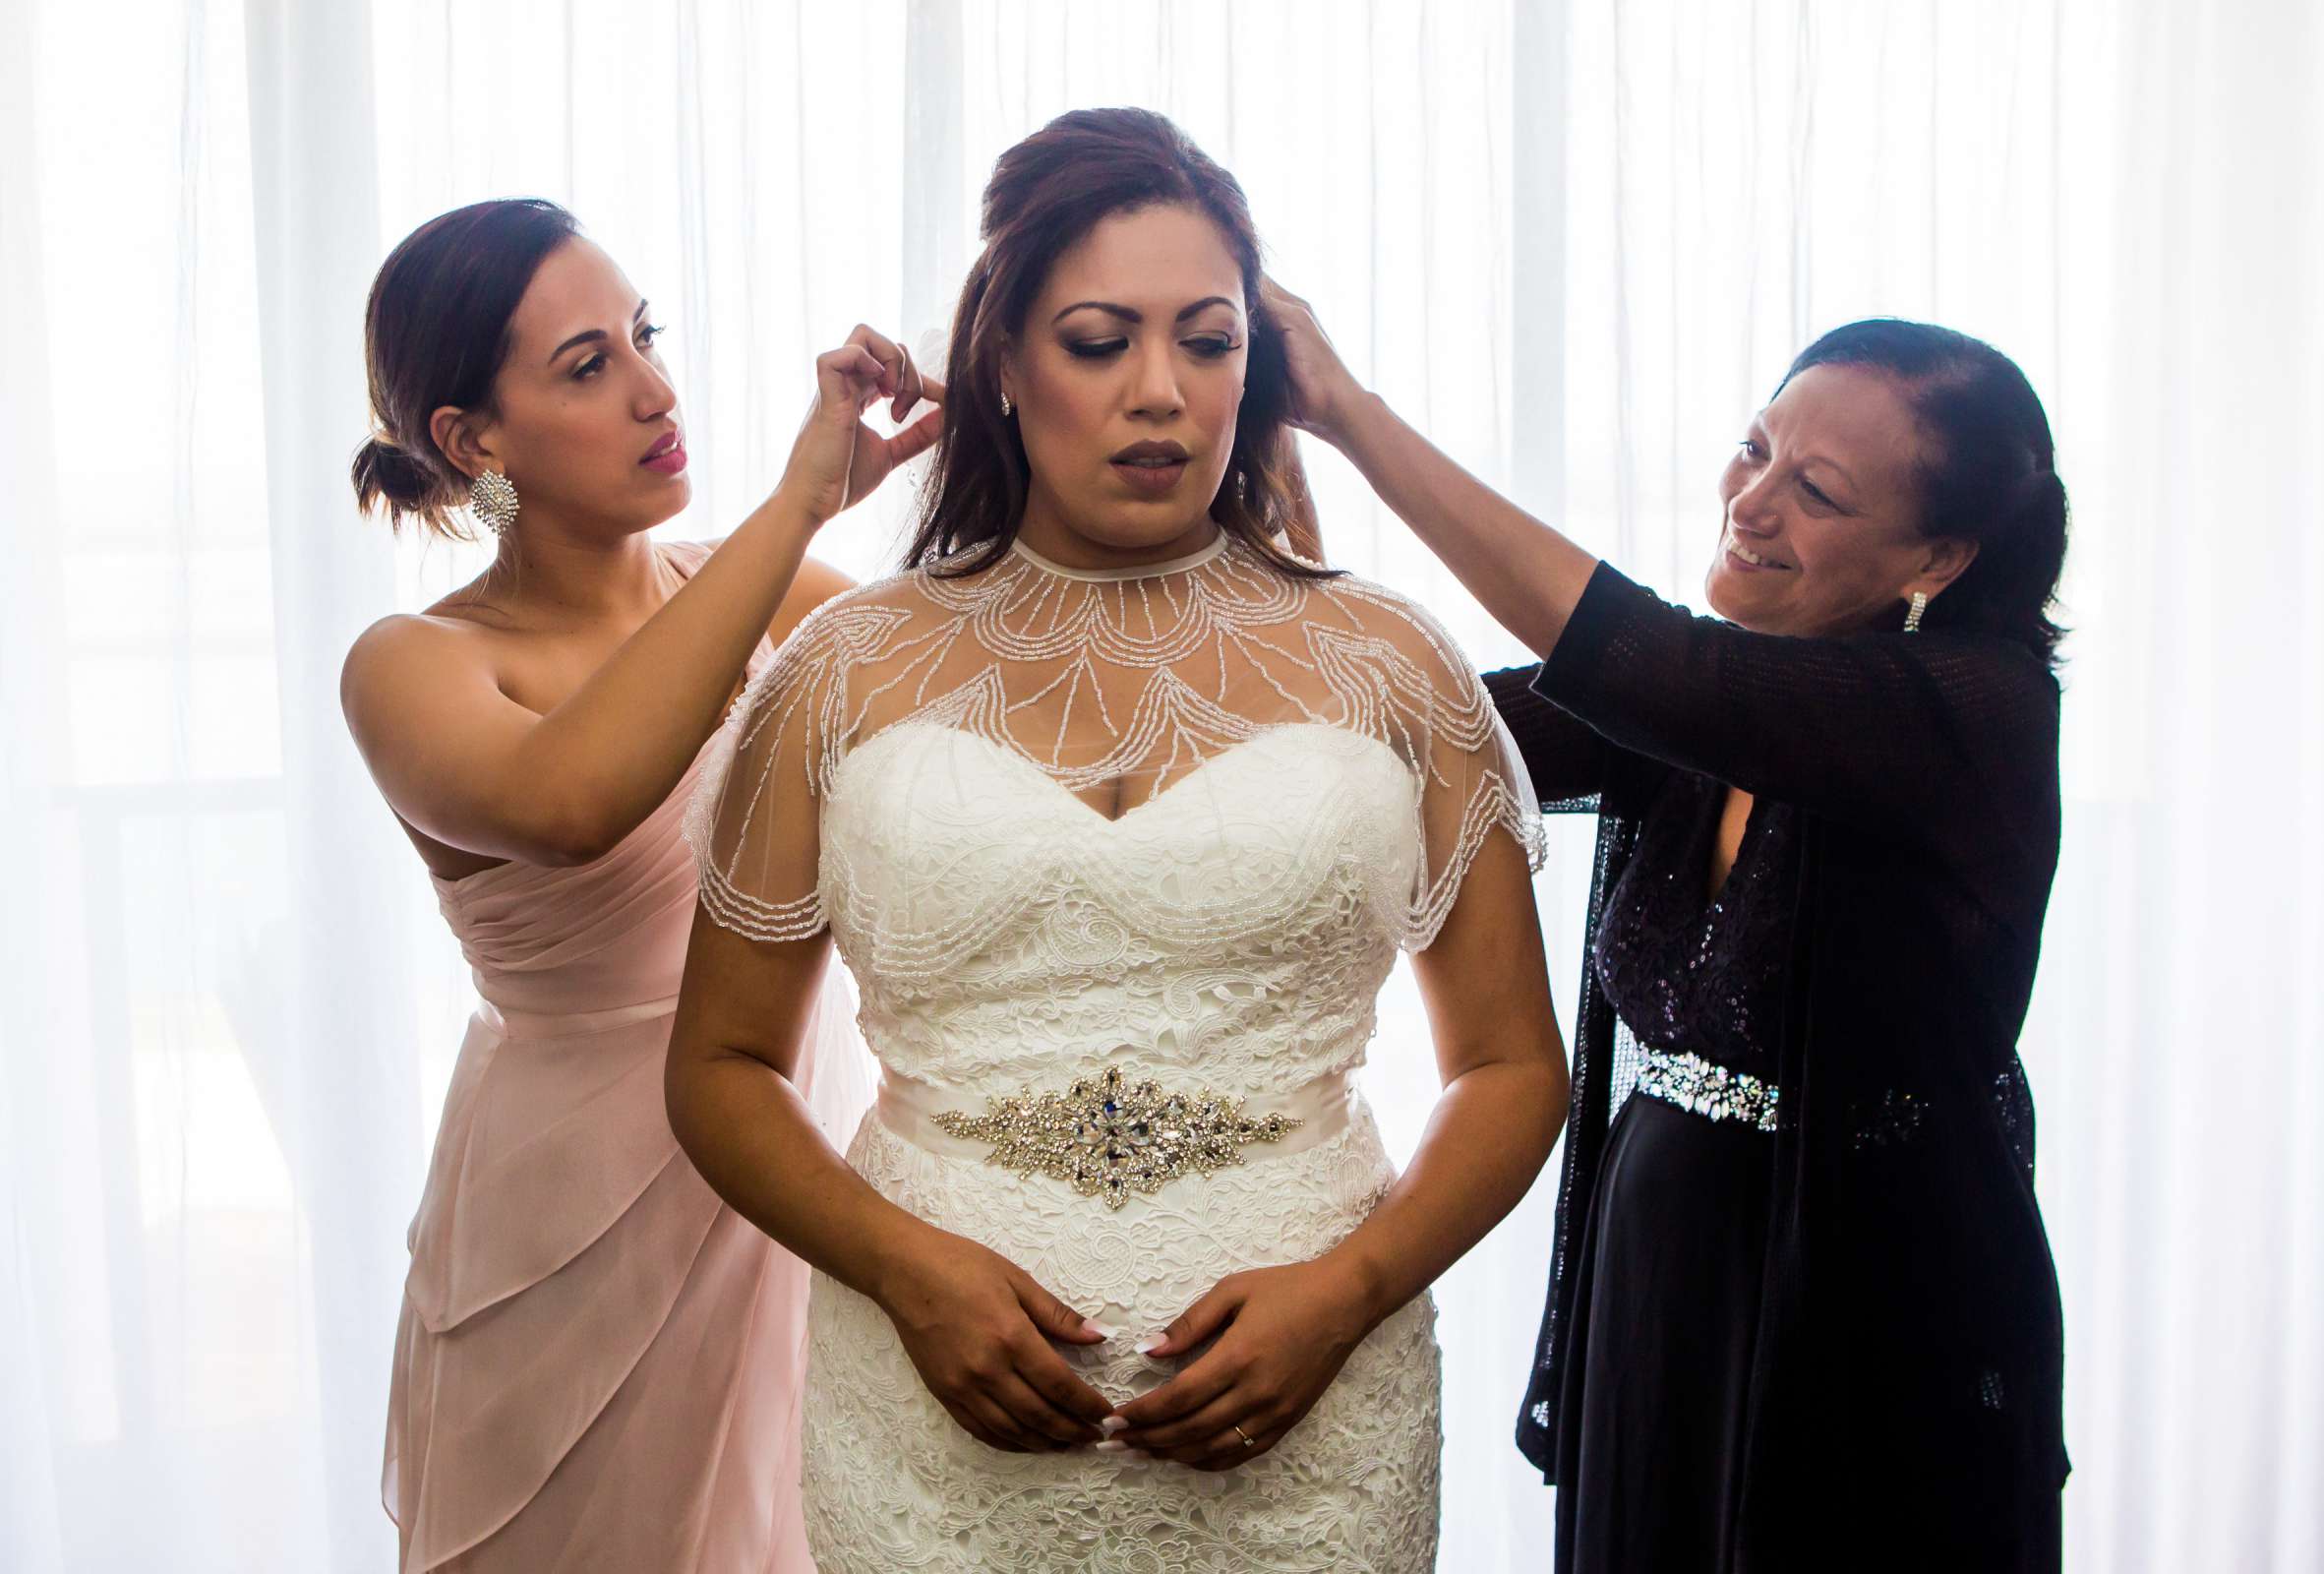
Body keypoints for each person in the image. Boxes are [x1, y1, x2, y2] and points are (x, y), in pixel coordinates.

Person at [663, 108, 1567, 1572]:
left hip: (1314, 1427)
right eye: (1100, 341)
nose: (1164, 392)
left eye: (1208, 342)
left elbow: (1514, 1067)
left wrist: (1350, 1291)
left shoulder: (1390, 662)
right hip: (939, 1426)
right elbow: (719, 1068)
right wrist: (907, 1270)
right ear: (1004, 366)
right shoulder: (845, 667)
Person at [1264, 284, 2072, 1571]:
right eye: (1757, 449)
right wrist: (1272, 512)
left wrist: (1354, 416)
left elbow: (1642, 656)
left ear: (1938, 561)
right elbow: (1424, 723)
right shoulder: (1704, 713)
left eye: (1819, 490)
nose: (1752, 503)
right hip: (1661, 1265)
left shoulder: (1973, 712)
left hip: (1872, 1305)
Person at [342, 196, 940, 1573]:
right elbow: (571, 802)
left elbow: (1009, 702)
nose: (657, 388)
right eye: (587, 364)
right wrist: (795, 507)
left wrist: (1036, 412)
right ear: (470, 441)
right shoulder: (410, 665)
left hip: (793, 1154)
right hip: (573, 1211)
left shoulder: (775, 597)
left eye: (644, 336)